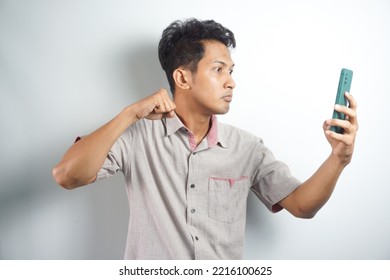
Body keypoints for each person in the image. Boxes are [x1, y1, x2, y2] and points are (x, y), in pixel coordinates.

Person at [52, 18, 358, 259]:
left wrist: (338, 159)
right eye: (219, 69)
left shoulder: (247, 147)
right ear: (183, 77)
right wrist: (130, 113)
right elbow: (67, 175)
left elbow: (302, 206)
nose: (231, 82)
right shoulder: (136, 137)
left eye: (231, 70)